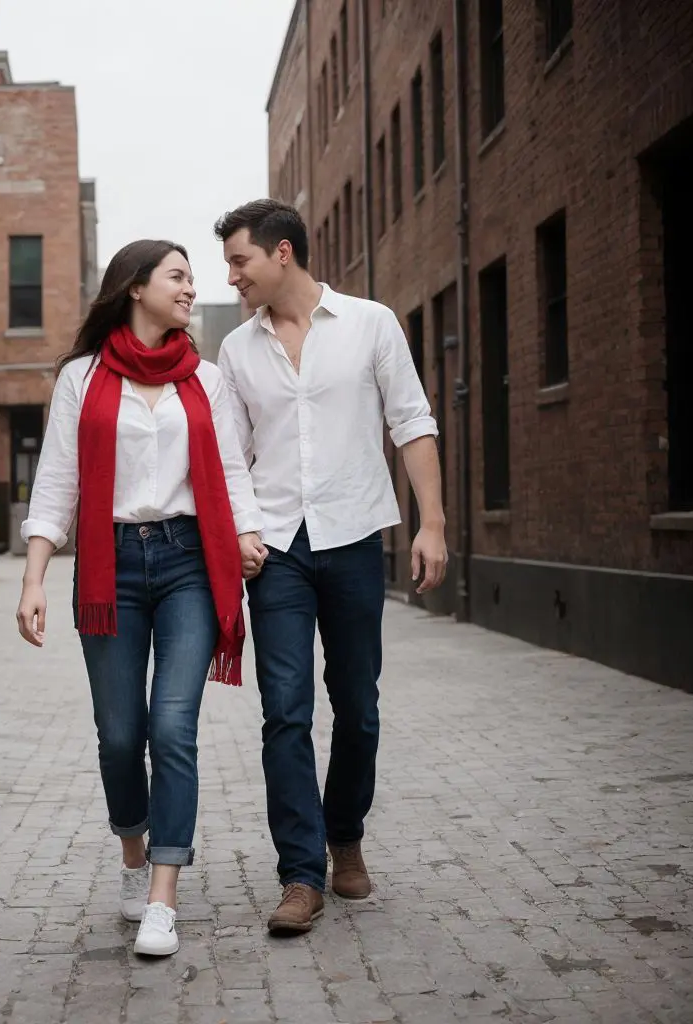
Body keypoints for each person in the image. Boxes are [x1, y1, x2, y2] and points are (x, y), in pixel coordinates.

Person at [16, 240, 265, 957]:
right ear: (135, 289)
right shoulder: (82, 379)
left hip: (190, 561)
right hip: (110, 566)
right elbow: (58, 480)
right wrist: (33, 576)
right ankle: (132, 853)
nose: (192, 289)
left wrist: (246, 532)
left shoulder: (206, 380)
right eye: (179, 277)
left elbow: (229, 468)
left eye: (192, 279)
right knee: (121, 736)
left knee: (172, 728)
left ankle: (163, 895)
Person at [214, 199, 448, 935]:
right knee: (284, 709)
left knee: (358, 705)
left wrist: (432, 523)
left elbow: (411, 421)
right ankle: (300, 875)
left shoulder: (372, 324)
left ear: (282, 253)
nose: (232, 276)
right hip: (276, 548)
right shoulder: (236, 350)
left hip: (352, 536)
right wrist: (243, 530)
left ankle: (344, 833)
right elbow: (229, 455)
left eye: (239, 260)